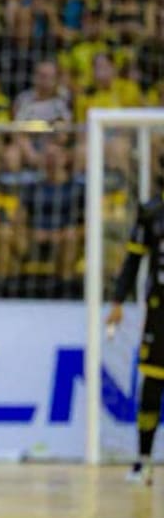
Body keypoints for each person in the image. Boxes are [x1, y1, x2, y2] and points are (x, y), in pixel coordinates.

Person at [107, 195, 164, 486]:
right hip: (159, 311)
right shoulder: (152, 213)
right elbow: (132, 262)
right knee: (152, 385)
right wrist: (118, 301)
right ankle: (143, 461)